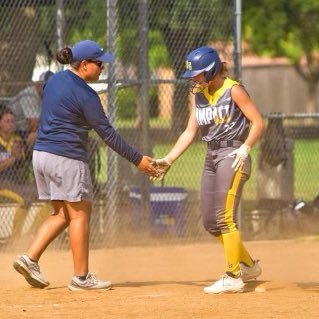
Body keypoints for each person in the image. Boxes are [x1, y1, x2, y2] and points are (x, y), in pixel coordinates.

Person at [13, 39, 159, 291]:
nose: (103, 68)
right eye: (99, 63)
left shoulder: (53, 81)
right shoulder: (86, 95)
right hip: (66, 158)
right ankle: (81, 278)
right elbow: (108, 135)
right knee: (80, 214)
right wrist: (139, 160)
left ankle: (29, 259)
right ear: (83, 65)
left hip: (42, 156)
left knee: (61, 214)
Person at [152, 46, 264, 294]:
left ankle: (233, 276)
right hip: (211, 155)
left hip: (233, 154)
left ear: (213, 70)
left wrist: (245, 148)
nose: (194, 79)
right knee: (211, 222)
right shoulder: (198, 95)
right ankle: (247, 265)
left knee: (225, 218)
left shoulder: (233, 89)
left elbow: (258, 121)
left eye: (199, 74)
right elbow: (190, 132)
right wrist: (168, 159)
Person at [0, 104, 52, 243]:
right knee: (25, 200)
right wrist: (13, 157)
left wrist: (29, 142)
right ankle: (16, 239)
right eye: (7, 121)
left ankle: (32, 234)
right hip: (2, 185)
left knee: (51, 199)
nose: (11, 124)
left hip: (17, 184)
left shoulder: (18, 138)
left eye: (13, 121)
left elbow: (33, 136)